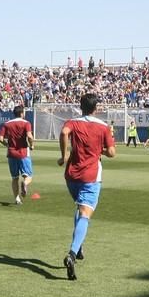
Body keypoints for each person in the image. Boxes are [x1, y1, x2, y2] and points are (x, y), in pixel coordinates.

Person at [58, 93, 116, 281]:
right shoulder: (103, 127)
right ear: (96, 108)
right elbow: (112, 153)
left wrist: (64, 155)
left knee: (80, 206)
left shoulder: (73, 122)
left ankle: (79, 246)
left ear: (80, 106)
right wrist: (102, 150)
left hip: (71, 174)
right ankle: (72, 254)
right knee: (85, 213)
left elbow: (64, 133)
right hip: (91, 175)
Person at [0, 105, 34, 205]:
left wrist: (7, 145)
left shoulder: (7, 124)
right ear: (22, 113)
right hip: (23, 153)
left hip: (11, 153)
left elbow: (0, 138)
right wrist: (32, 145)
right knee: (29, 176)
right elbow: (30, 136)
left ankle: (17, 199)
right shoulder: (26, 123)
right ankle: (25, 183)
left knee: (14, 178)